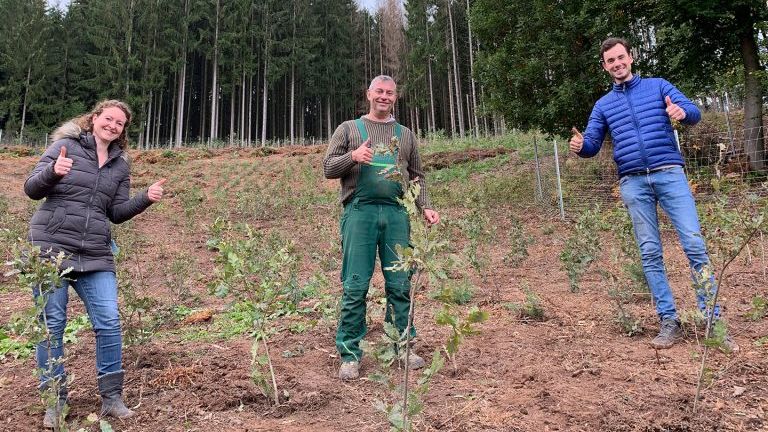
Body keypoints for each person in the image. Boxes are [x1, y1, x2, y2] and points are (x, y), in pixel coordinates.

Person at [569, 38, 736, 351]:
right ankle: (668, 320)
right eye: (610, 61)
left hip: (669, 174)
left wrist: (682, 113)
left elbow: (693, 112)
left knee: (694, 244)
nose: (617, 64)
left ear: (630, 58)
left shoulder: (658, 86)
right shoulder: (603, 105)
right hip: (633, 182)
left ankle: (713, 321)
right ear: (605, 67)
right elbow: (591, 145)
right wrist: (580, 147)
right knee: (649, 252)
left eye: (621, 57)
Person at [24, 100, 167, 427]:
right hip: (51, 248)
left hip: (94, 252)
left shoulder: (120, 165)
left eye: (120, 123)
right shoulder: (66, 146)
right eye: (109, 119)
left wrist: (144, 198)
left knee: (109, 321)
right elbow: (31, 189)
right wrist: (53, 172)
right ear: (95, 118)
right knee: (51, 326)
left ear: (123, 130)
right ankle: (54, 402)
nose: (113, 126)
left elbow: (116, 212)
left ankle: (112, 399)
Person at [323, 75, 440, 380]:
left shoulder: (406, 135)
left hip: (396, 215)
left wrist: (425, 205)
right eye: (379, 91)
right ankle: (350, 354)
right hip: (359, 214)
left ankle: (402, 346)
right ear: (369, 94)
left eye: (389, 93)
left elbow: (416, 175)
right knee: (355, 285)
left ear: (395, 97)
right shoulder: (348, 129)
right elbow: (327, 168)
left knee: (400, 283)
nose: (384, 97)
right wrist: (353, 157)